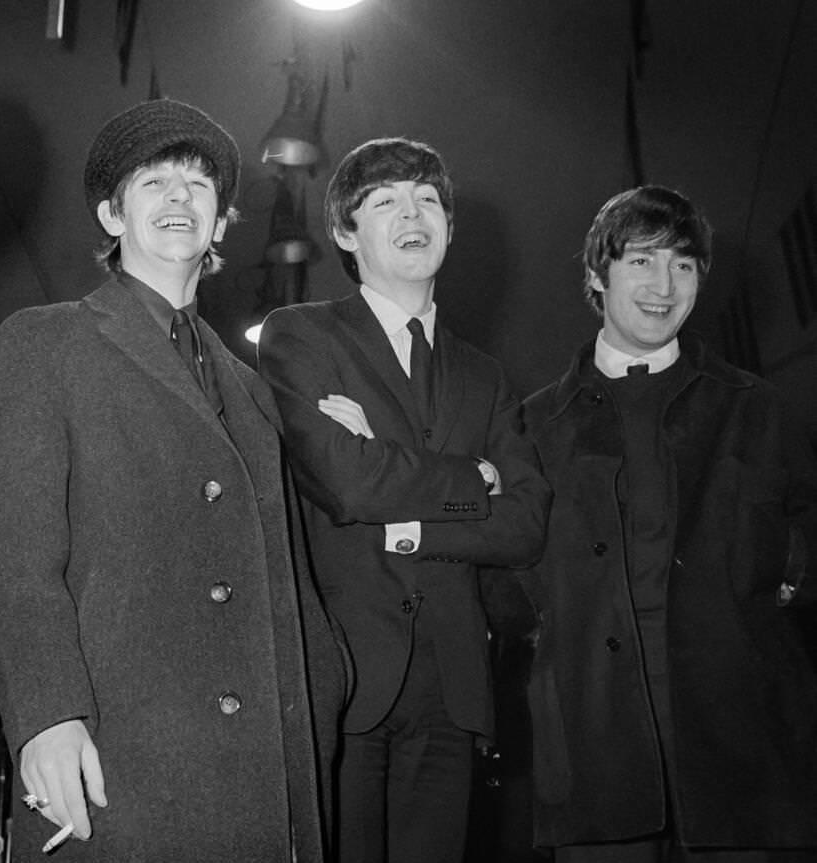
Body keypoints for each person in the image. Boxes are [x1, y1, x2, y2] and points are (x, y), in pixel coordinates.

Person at [0, 98, 346, 862]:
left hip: (261, 785)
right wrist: (44, 716)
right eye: (154, 183)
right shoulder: (43, 344)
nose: (180, 199)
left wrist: (319, 699)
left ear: (221, 221)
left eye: (199, 187)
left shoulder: (250, 386)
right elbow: (10, 558)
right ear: (110, 213)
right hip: (115, 761)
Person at [257, 137, 551, 863]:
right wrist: (470, 478)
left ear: (449, 226)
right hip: (344, 679)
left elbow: (524, 524)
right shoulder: (301, 335)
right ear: (346, 233)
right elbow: (346, 482)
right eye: (385, 201)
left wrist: (410, 524)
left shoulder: (484, 374)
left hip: (453, 690)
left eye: (427, 200)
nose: (412, 214)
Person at [516, 185, 817, 861]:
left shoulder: (755, 407)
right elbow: (488, 543)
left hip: (739, 755)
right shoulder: (534, 426)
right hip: (595, 761)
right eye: (642, 262)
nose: (663, 285)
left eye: (683, 265)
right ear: (597, 274)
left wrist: (788, 578)